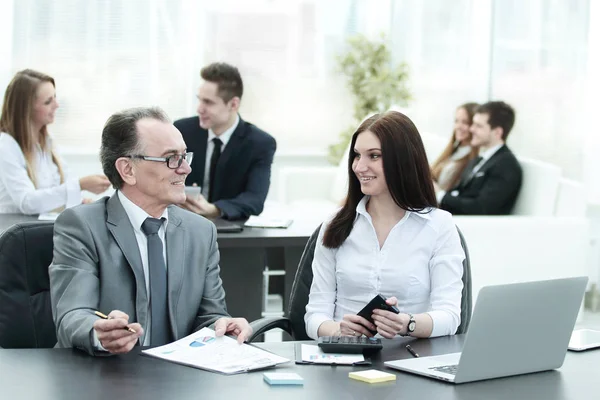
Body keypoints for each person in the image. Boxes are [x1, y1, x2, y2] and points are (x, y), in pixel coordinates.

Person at [49, 106, 252, 355]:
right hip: (107, 378)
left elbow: (209, 315)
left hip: (179, 379)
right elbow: (72, 314)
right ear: (128, 170)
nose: (185, 169)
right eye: (171, 159)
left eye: (184, 156)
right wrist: (99, 333)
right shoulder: (81, 226)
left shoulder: (201, 231)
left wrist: (223, 326)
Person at [304, 111, 465, 340]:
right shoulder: (335, 224)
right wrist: (338, 330)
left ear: (403, 160)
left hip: (408, 360)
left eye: (374, 156)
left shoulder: (440, 225)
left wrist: (407, 323)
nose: (359, 167)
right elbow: (314, 317)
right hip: (345, 360)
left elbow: (450, 317)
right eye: (357, 155)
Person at [174, 62, 276, 220]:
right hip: (183, 223)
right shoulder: (182, 131)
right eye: (199, 100)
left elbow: (255, 200)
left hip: (229, 229)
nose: (199, 109)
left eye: (208, 102)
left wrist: (214, 209)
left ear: (233, 104)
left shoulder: (260, 143)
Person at [0, 69, 110, 214]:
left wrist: (80, 200)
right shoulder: (6, 145)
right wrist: (80, 185)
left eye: (55, 97)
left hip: (39, 226)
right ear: (26, 109)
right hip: (16, 231)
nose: (57, 105)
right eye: (48, 101)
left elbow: (61, 185)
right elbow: (27, 202)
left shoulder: (46, 142)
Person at [438, 101, 522, 215]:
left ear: (497, 132)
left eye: (478, 126)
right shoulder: (480, 160)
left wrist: (439, 195)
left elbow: (481, 208)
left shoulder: (506, 165)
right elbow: (459, 193)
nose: (471, 129)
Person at [431, 102, 479, 192]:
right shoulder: (452, 151)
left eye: (465, 122)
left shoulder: (473, 159)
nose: (458, 126)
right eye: (456, 121)